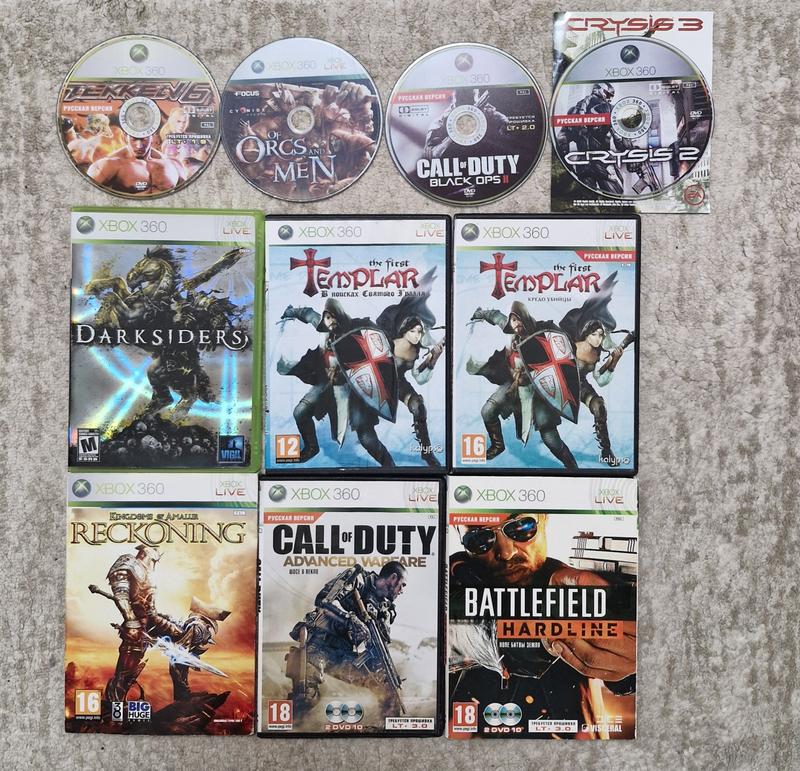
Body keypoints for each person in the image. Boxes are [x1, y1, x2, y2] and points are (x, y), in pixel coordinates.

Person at [449, 513, 636, 738]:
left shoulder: (578, 585)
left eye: (521, 527)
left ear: (544, 518)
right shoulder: (445, 592)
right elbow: (463, 631)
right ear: (459, 536)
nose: (506, 553)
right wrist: (544, 630)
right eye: (480, 539)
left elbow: (626, 679)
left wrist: (631, 653)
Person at [285, 562, 407, 715]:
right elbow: (325, 601)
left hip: (343, 655)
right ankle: (292, 724)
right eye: (402, 585)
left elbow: (378, 646)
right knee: (305, 697)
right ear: (393, 578)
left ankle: (388, 725)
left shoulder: (384, 610)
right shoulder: (358, 578)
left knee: (387, 689)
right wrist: (350, 619)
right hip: (319, 646)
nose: (402, 591)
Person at [467, 301, 578, 469]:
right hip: (514, 386)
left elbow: (565, 347)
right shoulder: (511, 331)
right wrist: (480, 313)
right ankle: (498, 445)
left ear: (525, 318)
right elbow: (496, 316)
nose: (516, 323)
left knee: (550, 438)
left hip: (539, 390)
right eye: (513, 320)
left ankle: (571, 465)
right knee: (487, 411)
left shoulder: (541, 331)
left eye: (519, 319)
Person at [392, 316, 444, 466]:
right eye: (412, 331)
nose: (416, 335)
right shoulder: (390, 343)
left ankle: (427, 453)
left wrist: (434, 359)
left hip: (399, 384)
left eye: (419, 332)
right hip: (379, 383)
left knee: (419, 407)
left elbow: (420, 378)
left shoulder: (417, 351)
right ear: (404, 331)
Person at [87, 131, 187, 194]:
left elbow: (185, 197)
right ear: (125, 137)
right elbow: (87, 196)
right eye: (134, 139)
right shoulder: (108, 165)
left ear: (152, 136)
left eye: (144, 139)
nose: (139, 146)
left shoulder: (174, 164)